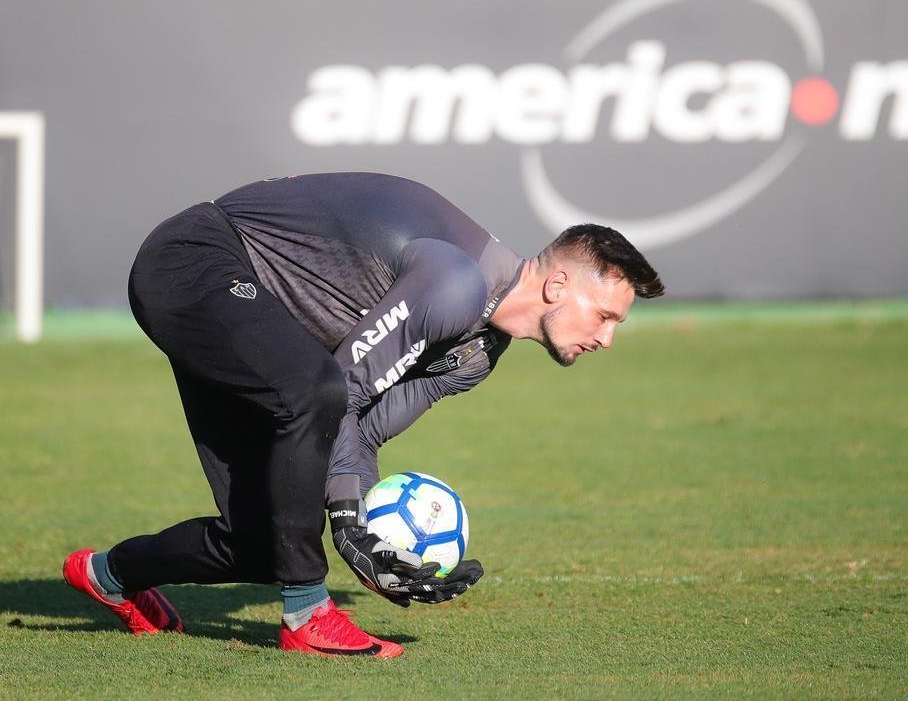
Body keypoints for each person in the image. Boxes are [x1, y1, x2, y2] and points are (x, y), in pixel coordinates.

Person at [63, 171, 664, 658]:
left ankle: (110, 575)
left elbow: (362, 429)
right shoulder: (457, 284)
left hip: (262, 321)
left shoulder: (477, 356)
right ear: (558, 285)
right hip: (196, 260)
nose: (606, 338)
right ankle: (308, 617)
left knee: (267, 543)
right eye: (605, 316)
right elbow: (340, 392)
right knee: (314, 392)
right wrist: (348, 526)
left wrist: (371, 540)